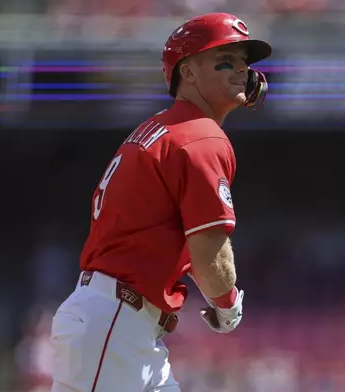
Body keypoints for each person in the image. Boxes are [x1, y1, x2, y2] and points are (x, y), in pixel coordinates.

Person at [50, 12, 271, 392]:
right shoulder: (200, 137)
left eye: (244, 63)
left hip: (120, 322)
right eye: (225, 60)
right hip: (116, 321)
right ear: (187, 72)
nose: (241, 71)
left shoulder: (160, 128)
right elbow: (210, 253)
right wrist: (227, 303)